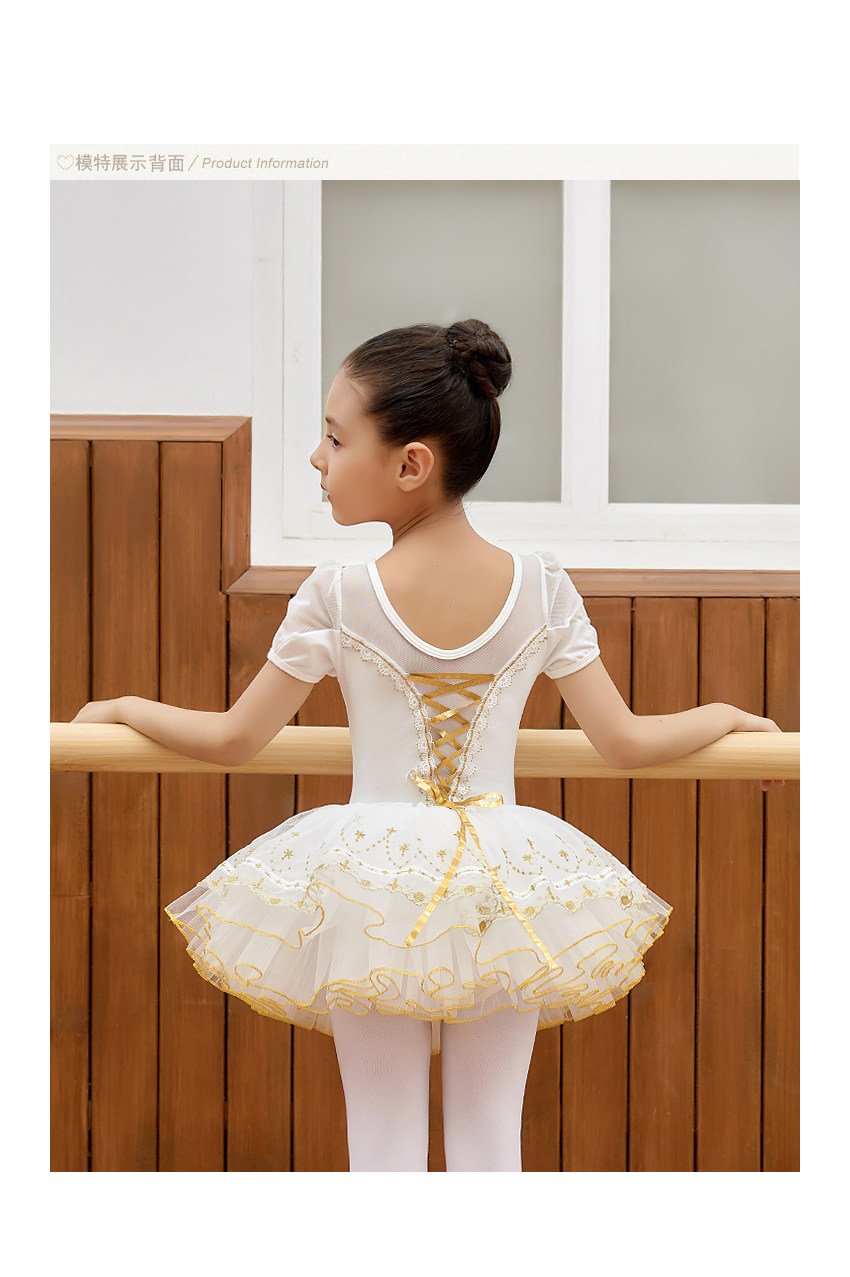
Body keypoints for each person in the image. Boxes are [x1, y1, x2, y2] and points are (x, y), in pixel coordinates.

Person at [72, 318, 783, 1173]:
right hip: (506, 883)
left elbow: (234, 737)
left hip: (368, 882)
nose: (316, 458)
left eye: (335, 438)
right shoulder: (542, 587)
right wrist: (731, 716)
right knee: (490, 1138)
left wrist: (125, 705)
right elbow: (626, 740)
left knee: (382, 1142)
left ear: (411, 463)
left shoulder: (339, 594)